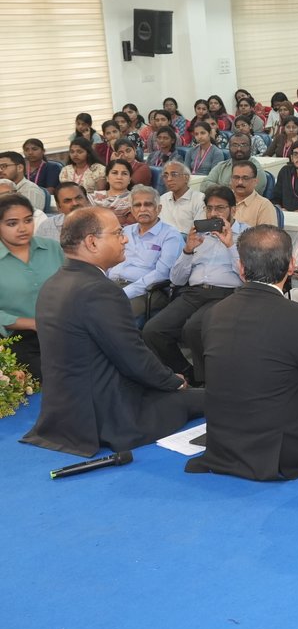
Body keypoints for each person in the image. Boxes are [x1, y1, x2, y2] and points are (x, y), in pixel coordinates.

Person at [22, 207, 202, 456]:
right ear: (92, 242)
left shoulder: (53, 283)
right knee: (208, 398)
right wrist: (173, 381)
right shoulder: (100, 290)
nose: (125, 239)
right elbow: (133, 357)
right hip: (106, 413)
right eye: (118, 233)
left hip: (63, 413)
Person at [183, 226, 298, 481]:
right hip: (278, 448)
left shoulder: (213, 314)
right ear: (291, 266)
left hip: (222, 439)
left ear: (241, 268)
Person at [142, 187, 246, 384]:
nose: (213, 213)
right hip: (193, 292)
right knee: (153, 330)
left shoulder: (246, 234)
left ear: (233, 210)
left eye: (220, 208)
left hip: (227, 294)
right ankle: (188, 373)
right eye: (209, 208)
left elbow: (247, 275)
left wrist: (230, 245)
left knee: (193, 328)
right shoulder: (199, 235)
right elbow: (177, 280)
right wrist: (188, 250)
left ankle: (208, 381)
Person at [0, 192, 64, 384]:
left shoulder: (52, 248)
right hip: (17, 337)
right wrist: (31, 323)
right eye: (12, 223)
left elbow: (74, 286)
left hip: (63, 328)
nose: (22, 228)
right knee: (52, 380)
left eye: (28, 220)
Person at [107, 185, 182, 317]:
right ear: (132, 210)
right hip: (113, 285)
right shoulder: (126, 231)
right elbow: (109, 260)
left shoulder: (170, 235)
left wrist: (126, 292)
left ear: (159, 208)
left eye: (148, 204)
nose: (142, 209)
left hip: (148, 291)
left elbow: (162, 274)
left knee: (113, 313)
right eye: (137, 205)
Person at [225, 161, 278, 228]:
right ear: (231, 180)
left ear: (255, 182)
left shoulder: (264, 205)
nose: (240, 182)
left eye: (245, 178)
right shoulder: (222, 200)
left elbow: (268, 233)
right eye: (236, 177)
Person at [157, 162, 205, 234]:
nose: (169, 179)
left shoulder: (200, 199)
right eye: (165, 176)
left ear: (186, 178)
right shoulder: (162, 199)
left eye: (174, 175)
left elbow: (199, 232)